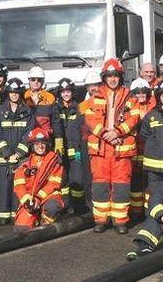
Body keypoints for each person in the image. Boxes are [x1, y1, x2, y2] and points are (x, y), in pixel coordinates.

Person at [84, 58, 136, 234]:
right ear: (104, 77)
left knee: (121, 185)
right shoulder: (95, 96)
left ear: (120, 77)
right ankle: (100, 220)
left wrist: (118, 132)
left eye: (116, 75)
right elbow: (89, 119)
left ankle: (120, 221)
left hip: (121, 149)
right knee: (100, 185)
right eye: (109, 76)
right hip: (101, 150)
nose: (113, 79)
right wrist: (107, 134)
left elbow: (134, 118)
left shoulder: (130, 95)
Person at [0, 78, 35, 224]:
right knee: (3, 187)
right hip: (3, 159)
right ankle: (3, 216)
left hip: (21, 159)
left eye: (17, 93)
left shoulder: (27, 113)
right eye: (12, 92)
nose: (14, 95)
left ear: (21, 94)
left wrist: (19, 154)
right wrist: (7, 154)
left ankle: (17, 213)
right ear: (8, 93)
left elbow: (29, 135)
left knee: (19, 187)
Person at [14, 128, 65, 229]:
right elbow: (19, 185)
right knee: (21, 228)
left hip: (48, 197)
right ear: (32, 145)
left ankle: (45, 221)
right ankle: (35, 217)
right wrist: (27, 201)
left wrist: (38, 198)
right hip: (30, 199)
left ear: (47, 144)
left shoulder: (54, 162)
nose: (40, 146)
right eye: (37, 144)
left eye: (43, 143)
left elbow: (53, 184)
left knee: (52, 208)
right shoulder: (25, 164)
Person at [121, 78, 156, 220]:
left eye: (144, 92)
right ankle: (136, 211)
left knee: (148, 181)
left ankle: (148, 211)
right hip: (134, 148)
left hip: (149, 149)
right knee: (135, 181)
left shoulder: (154, 106)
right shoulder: (127, 108)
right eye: (137, 93)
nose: (141, 95)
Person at [54, 78, 85, 212]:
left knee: (77, 180)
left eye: (68, 92)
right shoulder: (55, 109)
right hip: (60, 151)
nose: (66, 94)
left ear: (72, 93)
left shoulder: (79, 108)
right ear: (59, 94)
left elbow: (82, 129)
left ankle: (79, 207)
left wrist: (80, 150)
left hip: (75, 151)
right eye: (63, 92)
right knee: (62, 181)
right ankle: (65, 207)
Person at [78, 70, 103, 209]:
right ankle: (89, 204)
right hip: (86, 143)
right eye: (90, 85)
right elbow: (77, 127)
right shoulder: (82, 106)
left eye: (96, 84)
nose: (93, 88)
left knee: (101, 175)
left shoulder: (105, 101)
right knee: (88, 175)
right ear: (86, 87)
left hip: (102, 142)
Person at [24, 66, 59, 138]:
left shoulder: (50, 97)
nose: (36, 82)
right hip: (28, 137)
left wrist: (58, 140)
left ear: (43, 81)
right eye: (33, 79)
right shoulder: (23, 97)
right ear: (29, 81)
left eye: (39, 80)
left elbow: (56, 122)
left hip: (46, 138)